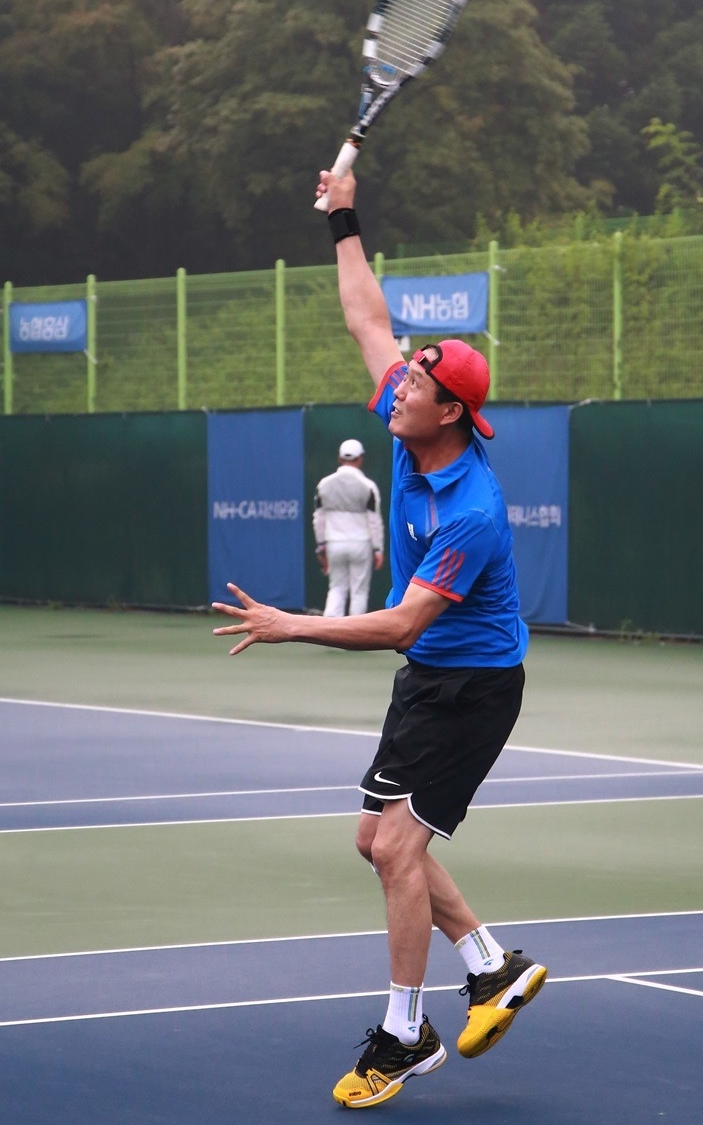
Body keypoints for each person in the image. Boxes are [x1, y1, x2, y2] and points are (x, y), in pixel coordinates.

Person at [213, 168, 546, 1111]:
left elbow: (400, 621)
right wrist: (344, 215)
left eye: (418, 385)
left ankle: (406, 1033)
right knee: (375, 839)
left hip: (475, 687)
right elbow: (367, 318)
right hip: (426, 679)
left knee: (400, 850)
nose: (397, 388)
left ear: (453, 415)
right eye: (407, 376)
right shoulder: (409, 424)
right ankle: (488, 965)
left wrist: (291, 624)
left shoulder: (471, 510)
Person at [313, 439, 385, 616]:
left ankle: (328, 630)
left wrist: (321, 545)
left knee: (336, 588)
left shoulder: (324, 485)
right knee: (359, 592)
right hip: (361, 543)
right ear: (360, 459)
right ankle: (355, 634)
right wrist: (378, 549)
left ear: (339, 458)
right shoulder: (368, 486)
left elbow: (319, 518)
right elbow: (374, 520)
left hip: (334, 543)